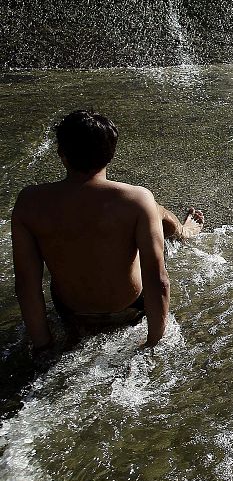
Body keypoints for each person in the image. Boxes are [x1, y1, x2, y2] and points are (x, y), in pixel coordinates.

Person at [12, 110, 205, 364]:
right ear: (111, 154)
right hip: (130, 307)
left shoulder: (29, 203)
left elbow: (27, 284)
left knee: (146, 209)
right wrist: (154, 342)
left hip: (70, 312)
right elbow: (159, 279)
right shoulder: (136, 199)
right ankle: (182, 231)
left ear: (62, 154)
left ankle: (180, 230)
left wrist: (43, 346)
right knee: (149, 208)